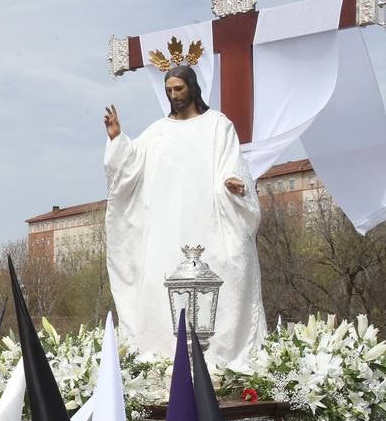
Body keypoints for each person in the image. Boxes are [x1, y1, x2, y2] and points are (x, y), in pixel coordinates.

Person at [103, 65, 266, 366]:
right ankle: (163, 365)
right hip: (166, 228)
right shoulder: (158, 132)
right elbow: (130, 166)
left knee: (221, 286)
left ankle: (220, 363)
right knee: (158, 286)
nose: (174, 95)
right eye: (168, 91)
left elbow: (232, 165)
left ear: (192, 88)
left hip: (209, 223)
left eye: (178, 89)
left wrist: (233, 184)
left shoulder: (218, 125)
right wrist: (117, 140)